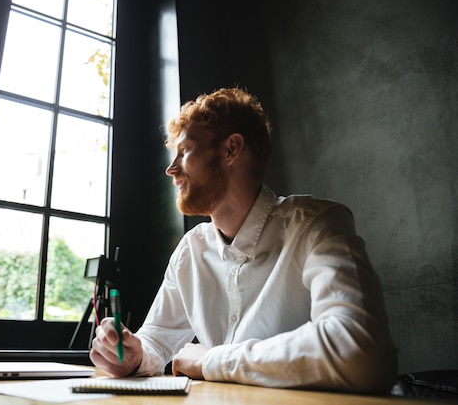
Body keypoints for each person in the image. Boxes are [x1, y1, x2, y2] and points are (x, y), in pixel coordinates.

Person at [90, 87, 397, 393]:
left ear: (231, 150)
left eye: (185, 151)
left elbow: (360, 351)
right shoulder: (189, 250)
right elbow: (157, 339)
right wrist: (134, 356)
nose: (171, 169)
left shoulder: (316, 225)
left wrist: (212, 360)